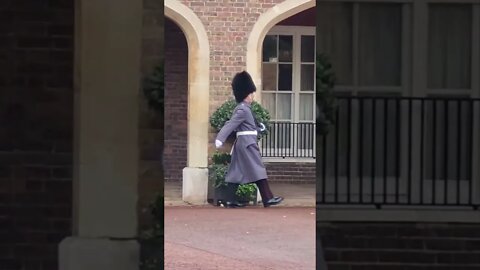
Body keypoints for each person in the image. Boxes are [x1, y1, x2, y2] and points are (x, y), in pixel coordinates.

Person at [215, 71, 284, 208]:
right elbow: (231, 124)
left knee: (235, 172)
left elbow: (247, 127)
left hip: (244, 142)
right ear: (245, 94)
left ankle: (230, 200)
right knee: (258, 169)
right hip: (247, 144)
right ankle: (267, 198)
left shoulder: (245, 108)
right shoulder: (243, 110)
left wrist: (260, 129)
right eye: (251, 93)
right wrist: (220, 138)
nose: (252, 96)